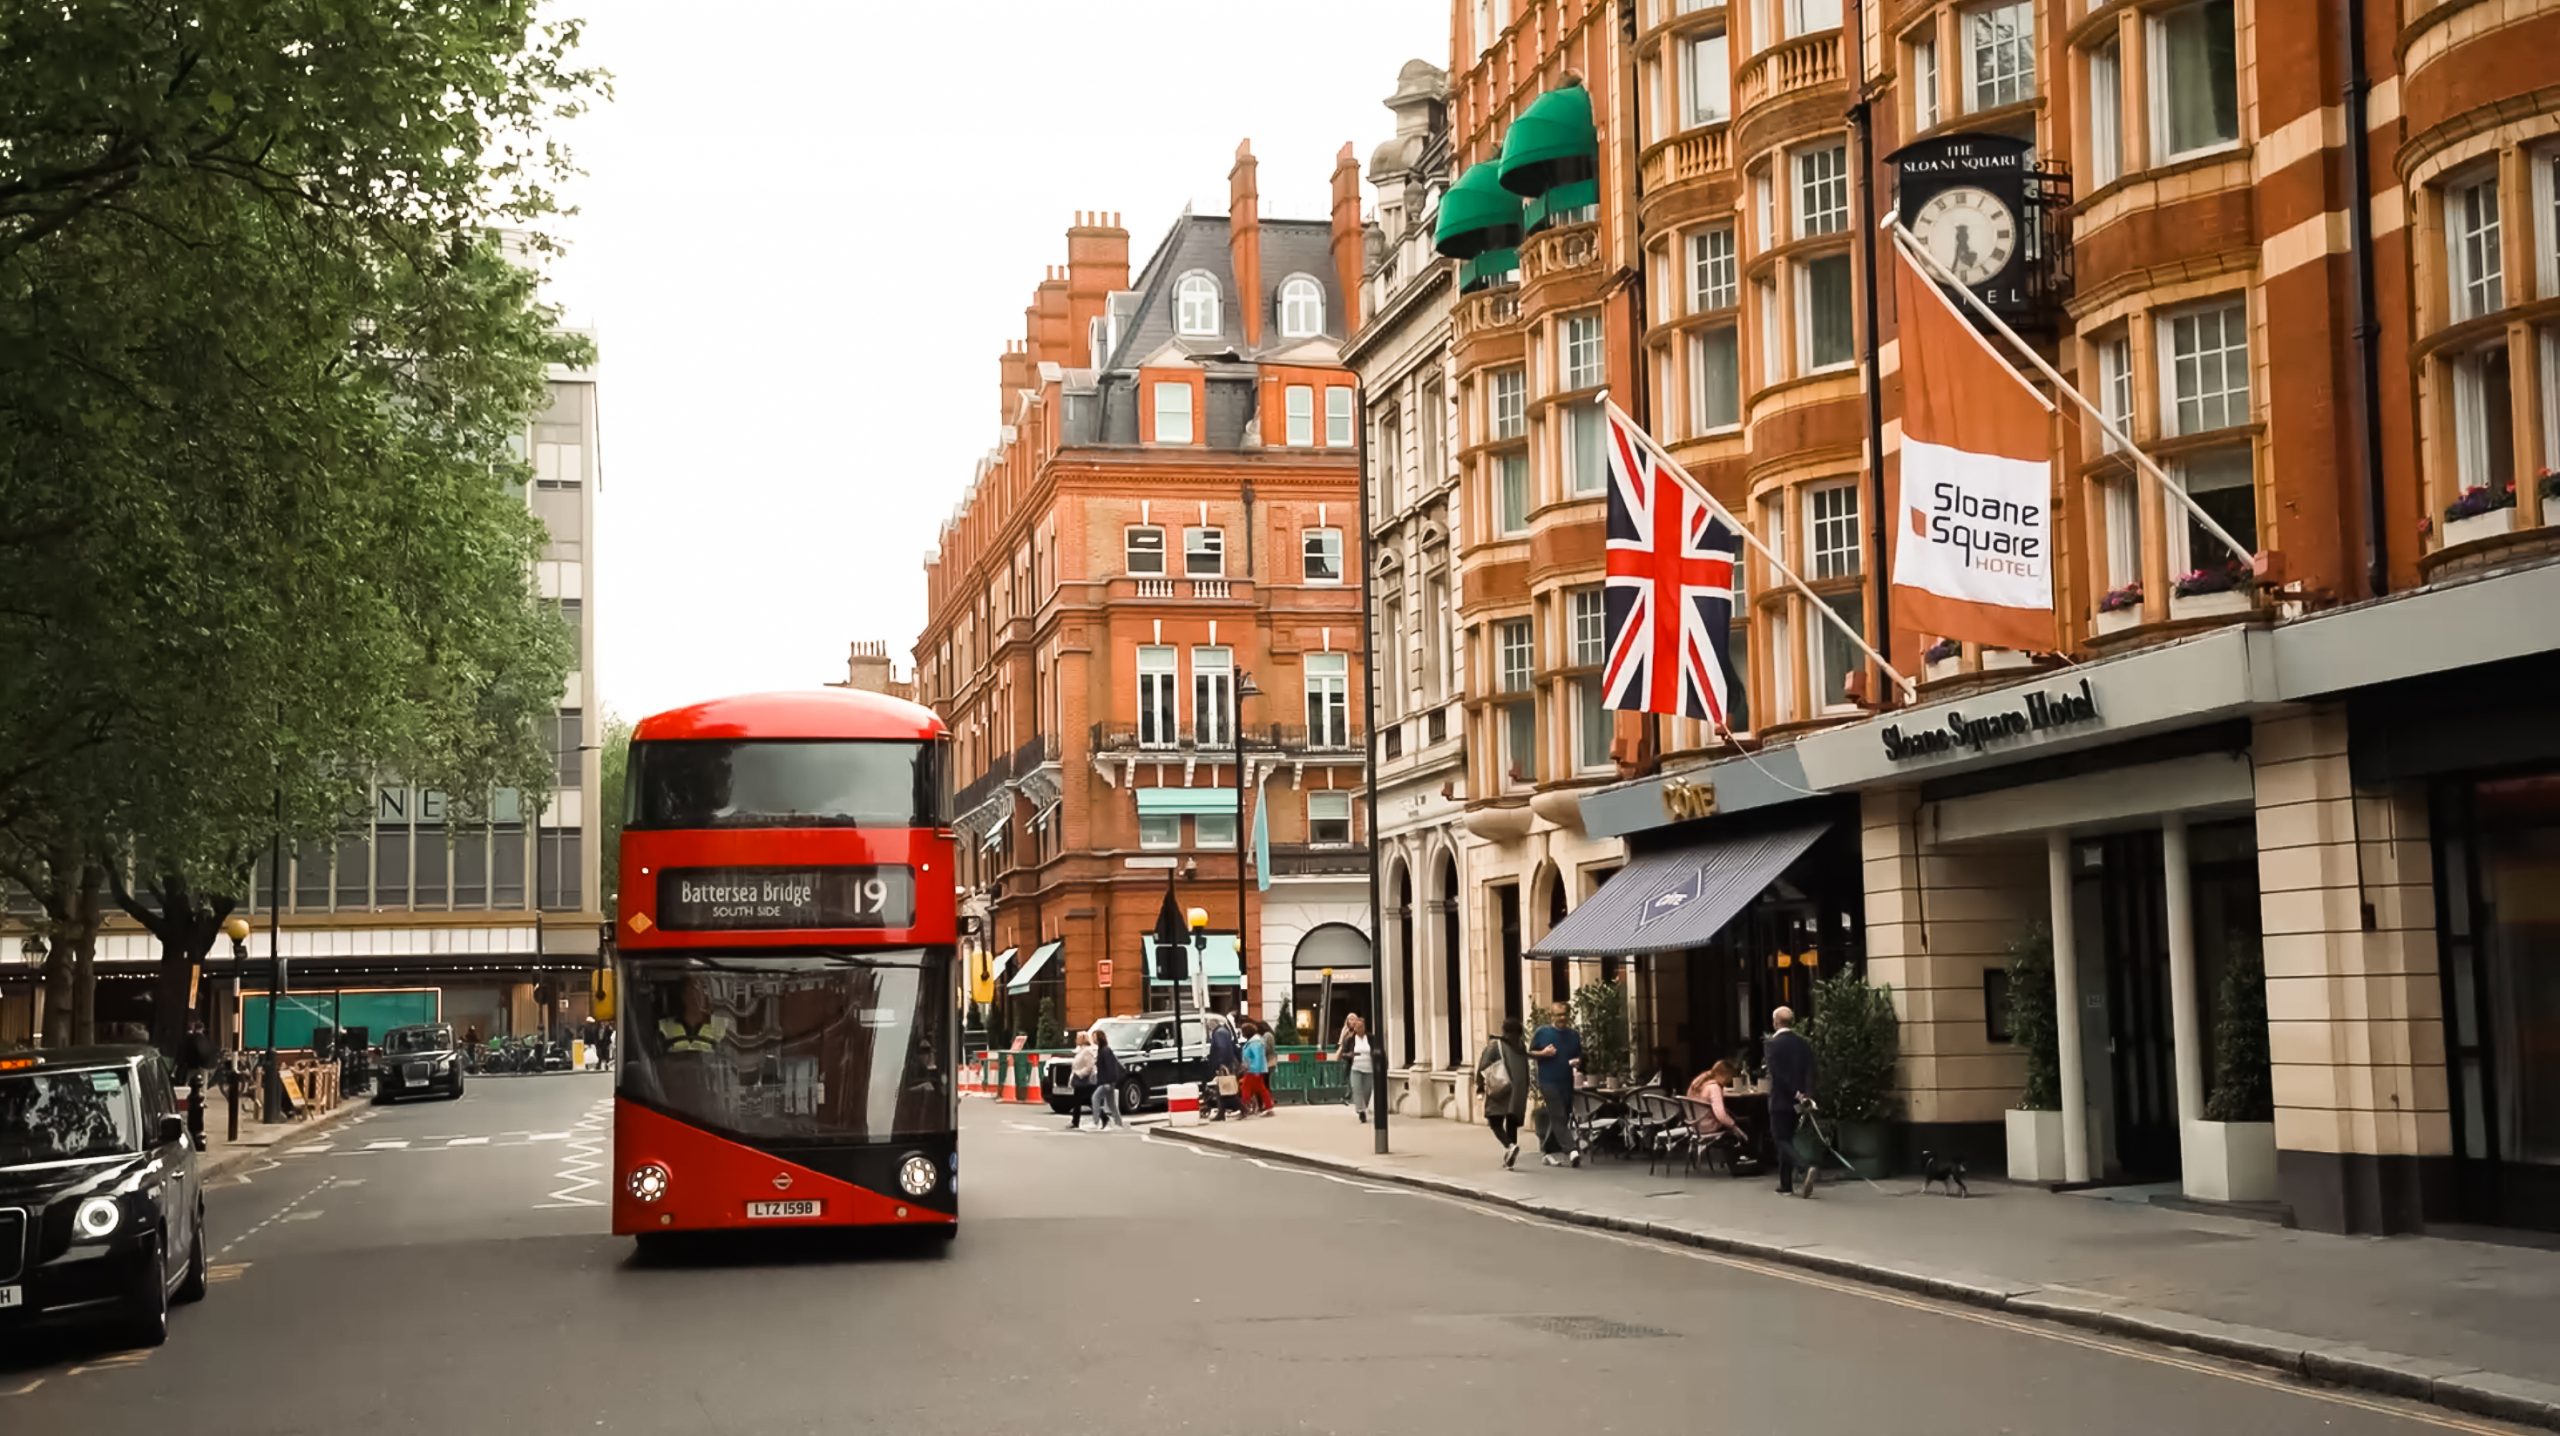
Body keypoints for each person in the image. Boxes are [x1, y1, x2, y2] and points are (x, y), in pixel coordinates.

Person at [1765, 1005, 1818, 1197]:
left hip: (1781, 1100)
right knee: (1787, 1138)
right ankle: (1785, 1184)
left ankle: (1803, 1168)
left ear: (1776, 1022)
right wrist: (1806, 1094)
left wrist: (1794, 1092)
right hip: (1798, 1102)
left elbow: (1777, 1075)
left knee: (1780, 1139)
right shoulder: (1803, 1044)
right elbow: (1810, 1070)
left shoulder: (1772, 1045)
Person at [1528, 1002, 1583, 1167]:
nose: (1562, 1018)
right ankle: (1572, 1150)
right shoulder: (1542, 1033)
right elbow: (1529, 1053)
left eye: (1565, 1014)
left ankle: (1547, 1150)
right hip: (1548, 1081)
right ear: (1551, 1016)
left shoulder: (1573, 1035)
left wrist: (1577, 1062)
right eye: (1558, 1015)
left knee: (1562, 1116)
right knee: (1558, 1114)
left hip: (1566, 1080)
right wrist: (1543, 1053)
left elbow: (1579, 1056)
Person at [1476, 1017, 1531, 1169]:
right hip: (1518, 1091)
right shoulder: (1520, 1046)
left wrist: (1479, 1087)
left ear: (1504, 1030)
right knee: (1512, 1122)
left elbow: (1483, 1067)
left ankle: (1509, 1146)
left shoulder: (1495, 1046)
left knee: (1495, 1122)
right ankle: (1510, 1157)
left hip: (1500, 1089)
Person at [1685, 1059, 1742, 1143]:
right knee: (1743, 1122)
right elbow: (1721, 1115)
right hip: (1708, 1126)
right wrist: (1735, 1128)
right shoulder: (1714, 1087)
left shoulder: (1698, 1081)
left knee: (1731, 1114)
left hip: (1695, 1124)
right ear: (1726, 1076)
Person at [1337, 1014, 1373, 1123]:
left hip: (1369, 1069)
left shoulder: (1371, 1038)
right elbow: (1343, 1054)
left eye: (1361, 1027)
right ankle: (1361, 1111)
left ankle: (1363, 1106)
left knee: (1367, 1091)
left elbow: (1377, 1051)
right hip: (1355, 1068)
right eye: (1357, 1027)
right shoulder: (1350, 1040)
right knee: (1357, 1090)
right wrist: (1350, 1055)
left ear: (1364, 1027)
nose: (1359, 1029)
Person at [1206, 1012, 1242, 1121]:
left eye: (1209, 1026)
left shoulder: (1219, 1033)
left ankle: (1240, 1108)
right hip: (1227, 1064)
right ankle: (1222, 1112)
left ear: (1213, 1024)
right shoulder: (1223, 1031)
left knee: (1224, 1089)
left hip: (1224, 1065)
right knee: (1224, 1089)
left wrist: (1221, 1064)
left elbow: (1222, 1049)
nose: (1209, 1028)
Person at [1090, 1028, 1124, 1130]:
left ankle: (1095, 1122)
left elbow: (1110, 1067)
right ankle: (1119, 1123)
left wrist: (1109, 1082)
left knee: (1095, 1098)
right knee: (1111, 1104)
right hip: (1106, 1081)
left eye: (1094, 1037)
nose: (1093, 1039)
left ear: (1099, 1038)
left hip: (1107, 1081)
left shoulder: (1105, 1050)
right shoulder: (1102, 1050)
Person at [1065, 1031, 1098, 1130]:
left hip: (1085, 1080)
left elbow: (1089, 1066)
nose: (1076, 1040)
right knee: (1082, 1101)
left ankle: (1076, 1122)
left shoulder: (1087, 1051)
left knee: (1082, 1101)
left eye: (1078, 1038)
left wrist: (1080, 1074)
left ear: (1083, 1039)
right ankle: (1075, 1121)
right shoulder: (1080, 1050)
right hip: (1080, 1080)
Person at [1239, 1021, 1273, 1116]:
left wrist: (1256, 1070)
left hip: (1253, 1069)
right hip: (1255, 1069)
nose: (1242, 1034)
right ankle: (1268, 1107)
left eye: (1243, 1031)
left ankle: (1245, 1108)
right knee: (1261, 1088)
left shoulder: (1254, 1043)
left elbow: (1257, 1057)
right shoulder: (1256, 1041)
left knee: (1245, 1088)